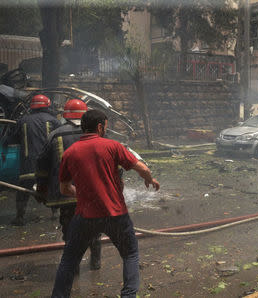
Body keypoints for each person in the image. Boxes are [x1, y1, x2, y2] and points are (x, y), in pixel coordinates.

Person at [51, 109, 160, 298]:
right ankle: (128, 295)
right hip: (116, 215)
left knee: (69, 260)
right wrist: (150, 179)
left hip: (85, 217)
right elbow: (141, 167)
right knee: (130, 255)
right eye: (106, 126)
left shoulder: (70, 153)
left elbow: (64, 189)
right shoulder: (112, 146)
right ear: (100, 127)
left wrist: (85, 194)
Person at [36, 99, 101, 272]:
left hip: (65, 195)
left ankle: (75, 268)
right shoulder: (97, 134)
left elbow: (42, 164)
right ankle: (96, 262)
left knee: (70, 230)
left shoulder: (55, 135)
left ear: (65, 115)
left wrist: (42, 188)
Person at [9, 94, 61, 226]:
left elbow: (13, 139)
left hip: (28, 164)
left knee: (23, 190)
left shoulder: (22, 120)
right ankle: (55, 214)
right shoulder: (54, 121)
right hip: (48, 164)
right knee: (51, 187)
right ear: (47, 106)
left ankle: (19, 217)